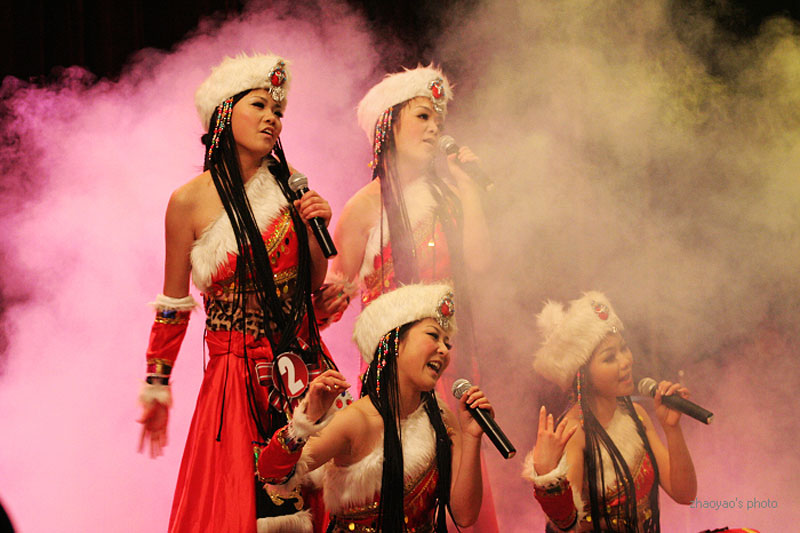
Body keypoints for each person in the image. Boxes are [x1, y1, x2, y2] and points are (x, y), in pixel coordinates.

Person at [136, 52, 337, 533]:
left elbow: (311, 283)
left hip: (296, 362)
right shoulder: (188, 201)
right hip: (233, 372)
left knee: (311, 494)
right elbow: (173, 305)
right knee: (236, 502)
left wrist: (317, 231)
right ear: (224, 113)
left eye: (278, 111)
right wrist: (157, 385)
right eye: (259, 105)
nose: (272, 118)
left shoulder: (288, 187)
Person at [256, 283, 491, 532]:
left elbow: (465, 515)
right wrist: (306, 420)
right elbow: (271, 474)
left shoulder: (442, 419)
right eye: (433, 336)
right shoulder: (355, 422)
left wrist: (472, 437)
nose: (444, 350)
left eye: (447, 343)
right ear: (393, 344)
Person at [316, 65, 490, 380]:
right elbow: (330, 302)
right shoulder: (362, 207)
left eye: (439, 122)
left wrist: (467, 187)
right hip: (393, 365)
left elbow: (479, 263)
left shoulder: (449, 196)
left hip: (449, 357)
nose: (435, 129)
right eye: (423, 117)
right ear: (387, 124)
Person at [523, 291, 698, 532]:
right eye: (610, 358)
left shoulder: (637, 415)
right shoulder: (574, 432)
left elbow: (685, 494)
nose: (626, 361)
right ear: (583, 376)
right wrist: (548, 479)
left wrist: (672, 429)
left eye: (624, 349)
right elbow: (565, 527)